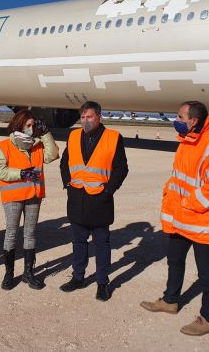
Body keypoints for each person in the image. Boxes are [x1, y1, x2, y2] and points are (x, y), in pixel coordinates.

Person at [140, 101, 209, 336]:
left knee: (207, 273)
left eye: (180, 117)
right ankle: (170, 301)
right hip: (182, 220)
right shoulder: (186, 142)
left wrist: (187, 203)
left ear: (194, 121)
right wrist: (169, 192)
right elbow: (180, 178)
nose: (176, 120)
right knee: (174, 260)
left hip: (201, 222)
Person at [59, 101, 128, 302]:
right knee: (78, 242)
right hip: (77, 198)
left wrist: (108, 190)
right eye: (82, 117)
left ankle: (102, 283)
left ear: (99, 117)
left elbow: (121, 168)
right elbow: (65, 162)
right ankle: (78, 277)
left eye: (89, 117)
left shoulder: (113, 138)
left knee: (101, 245)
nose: (85, 121)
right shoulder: (73, 136)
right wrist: (68, 184)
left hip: (100, 200)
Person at [0, 110, 59, 290]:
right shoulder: (5, 145)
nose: (31, 129)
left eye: (33, 126)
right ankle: (9, 274)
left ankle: (28, 274)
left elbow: (52, 155)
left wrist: (46, 133)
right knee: (11, 233)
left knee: (30, 234)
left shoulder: (37, 145)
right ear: (19, 125)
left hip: (34, 196)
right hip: (13, 197)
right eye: (28, 126)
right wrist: (20, 173)